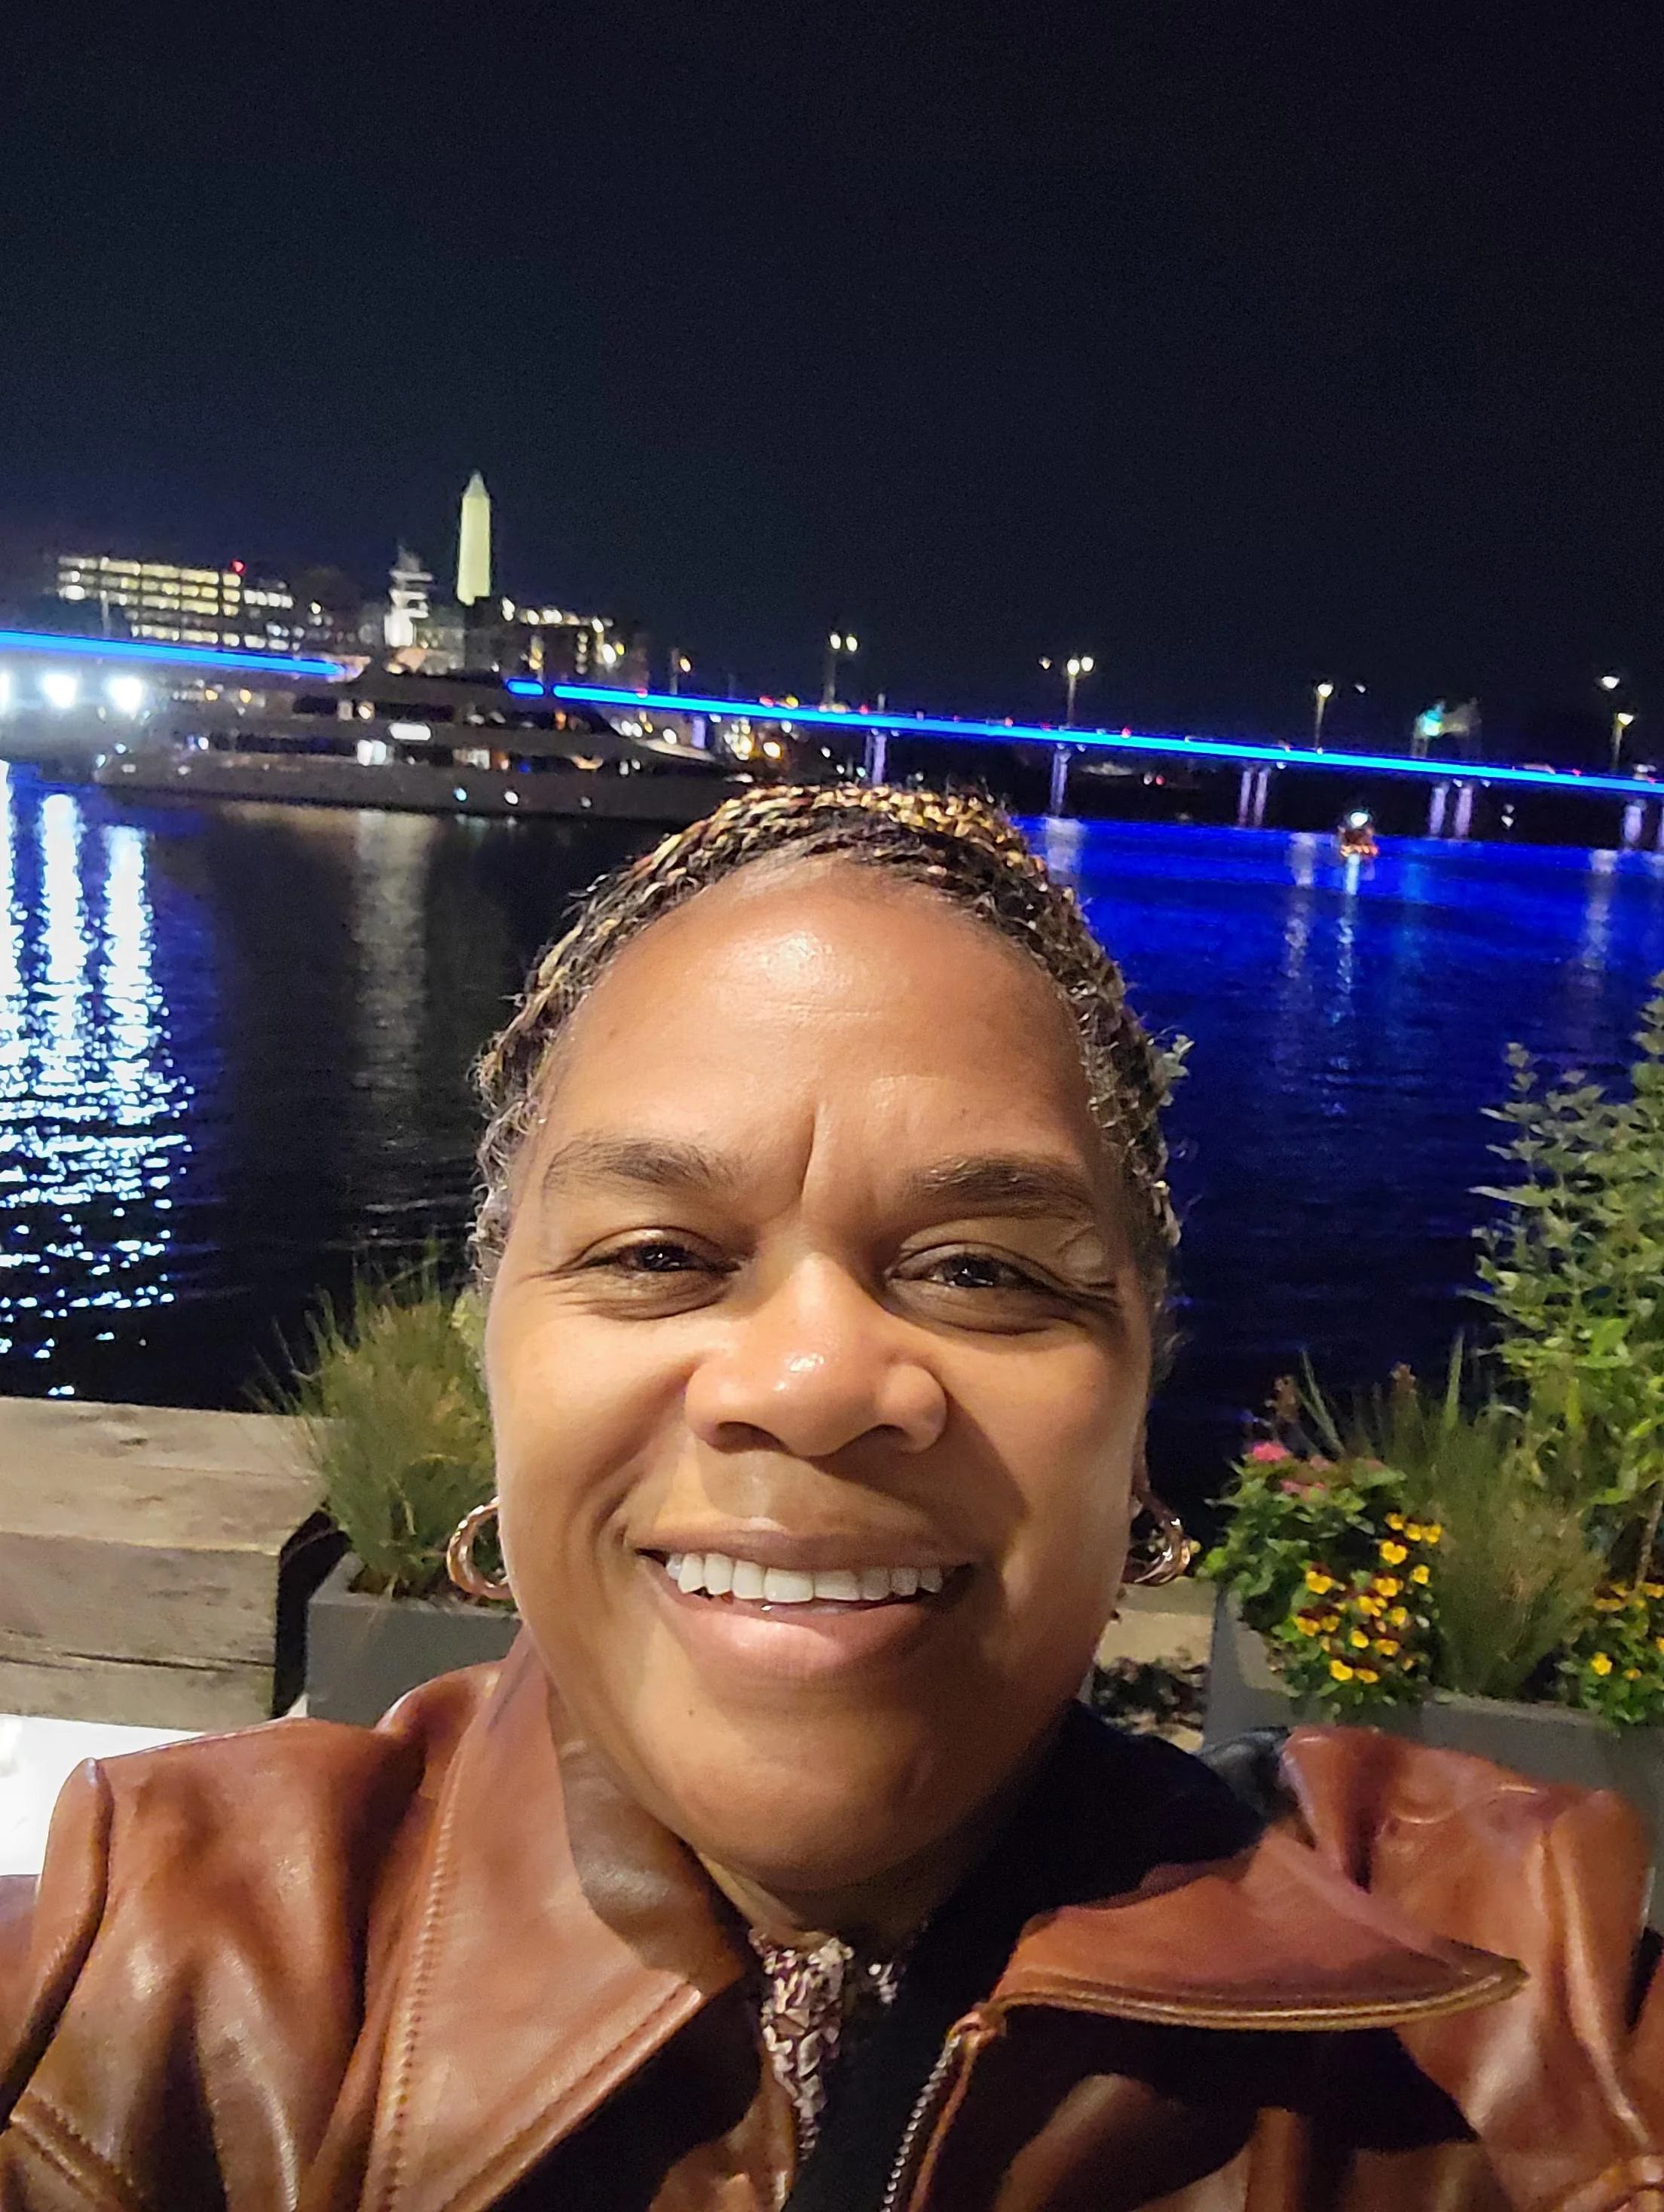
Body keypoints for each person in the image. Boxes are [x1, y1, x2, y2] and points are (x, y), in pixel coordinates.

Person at [1, 783, 1659, 2210]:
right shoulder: (152, 1965)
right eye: (657, 1254)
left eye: (982, 1269)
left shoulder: (1508, 2017)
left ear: (1141, 1395)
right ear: (490, 1350)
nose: (810, 1381)